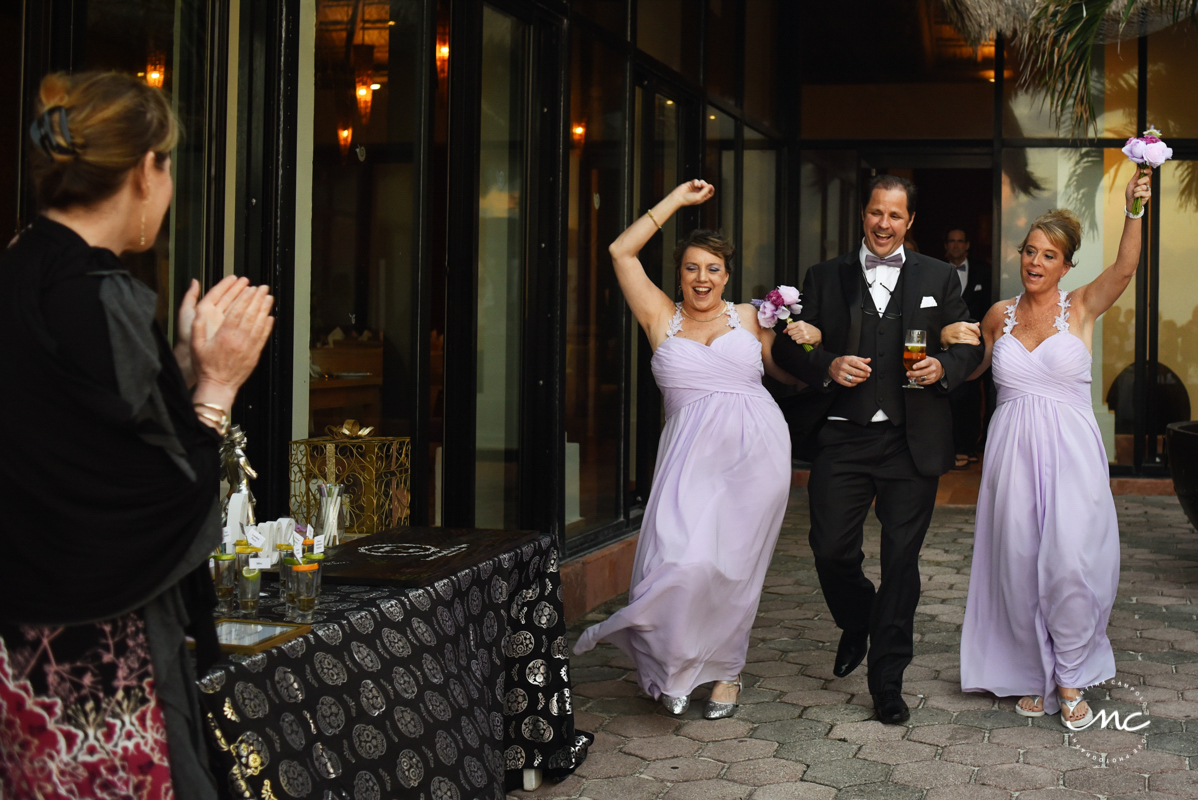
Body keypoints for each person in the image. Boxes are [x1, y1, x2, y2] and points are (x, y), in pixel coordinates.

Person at [0, 72, 274, 799]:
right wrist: (218, 384)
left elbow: (80, 435)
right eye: (168, 163)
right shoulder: (99, 292)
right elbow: (156, 493)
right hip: (100, 642)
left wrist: (175, 369)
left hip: (24, 626)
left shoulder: (20, 266)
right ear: (143, 171)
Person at [573, 179, 811, 719]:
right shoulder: (660, 317)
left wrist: (810, 342)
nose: (702, 278)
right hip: (687, 461)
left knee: (731, 568)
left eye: (713, 269)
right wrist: (676, 202)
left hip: (756, 454)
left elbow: (788, 375)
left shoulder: (753, 318)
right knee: (681, 561)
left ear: (727, 276)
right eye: (691, 268)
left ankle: (727, 673)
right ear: (678, 273)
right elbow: (620, 250)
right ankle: (672, 662)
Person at [772, 175, 984, 725]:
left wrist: (946, 368)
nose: (883, 224)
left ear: (910, 221)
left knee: (901, 563)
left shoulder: (939, 276)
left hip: (911, 442)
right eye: (875, 213)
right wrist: (827, 364)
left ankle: (887, 682)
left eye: (895, 215)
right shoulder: (824, 276)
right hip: (843, 435)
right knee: (830, 549)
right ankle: (857, 617)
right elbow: (787, 347)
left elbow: (965, 342)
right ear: (863, 215)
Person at [958, 170, 1152, 729]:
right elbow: (971, 369)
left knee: (1071, 562)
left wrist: (1134, 208)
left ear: (1066, 266)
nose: (1036, 263)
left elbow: (1126, 268)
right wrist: (948, 339)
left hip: (1070, 453)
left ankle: (1069, 671)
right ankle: (1029, 671)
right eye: (1030, 252)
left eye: (1049, 256)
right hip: (1011, 452)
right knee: (1018, 562)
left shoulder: (1083, 306)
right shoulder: (999, 314)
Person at [943, 228, 992, 468]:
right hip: (946, 343)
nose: (956, 245)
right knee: (952, 396)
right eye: (951, 241)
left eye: (960, 241)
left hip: (979, 343)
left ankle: (970, 445)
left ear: (967, 245)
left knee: (974, 396)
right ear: (946, 246)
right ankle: (955, 446)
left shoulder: (984, 271)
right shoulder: (937, 272)